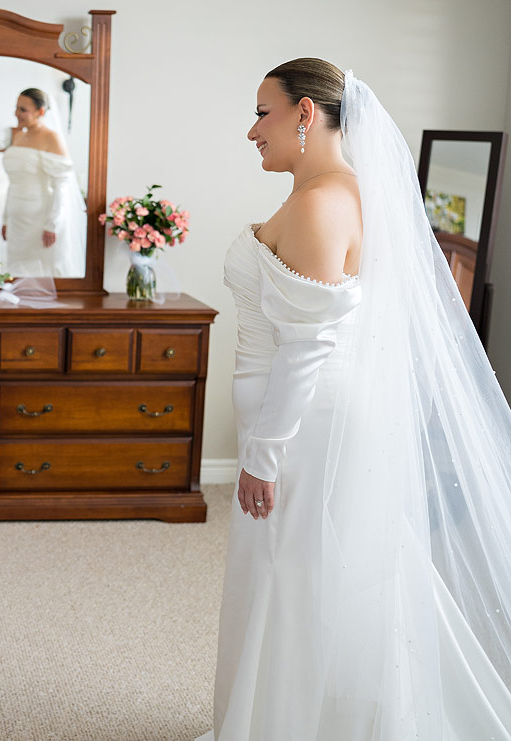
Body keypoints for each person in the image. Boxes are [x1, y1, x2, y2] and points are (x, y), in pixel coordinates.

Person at [198, 58, 511, 740]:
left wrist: (263, 453)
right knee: (315, 570)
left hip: (309, 423)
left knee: (300, 577)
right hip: (306, 416)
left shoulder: (321, 201)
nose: (253, 130)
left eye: (262, 112)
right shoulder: (330, 191)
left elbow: (309, 347)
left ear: (305, 113)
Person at [0, 88, 86, 277]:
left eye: (23, 110)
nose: (17, 114)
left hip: (39, 218)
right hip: (16, 218)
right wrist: (5, 219)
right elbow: (13, 184)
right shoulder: (18, 136)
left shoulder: (51, 138)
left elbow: (61, 184)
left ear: (41, 112)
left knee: (42, 271)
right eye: (16, 108)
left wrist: (52, 224)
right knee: (16, 271)